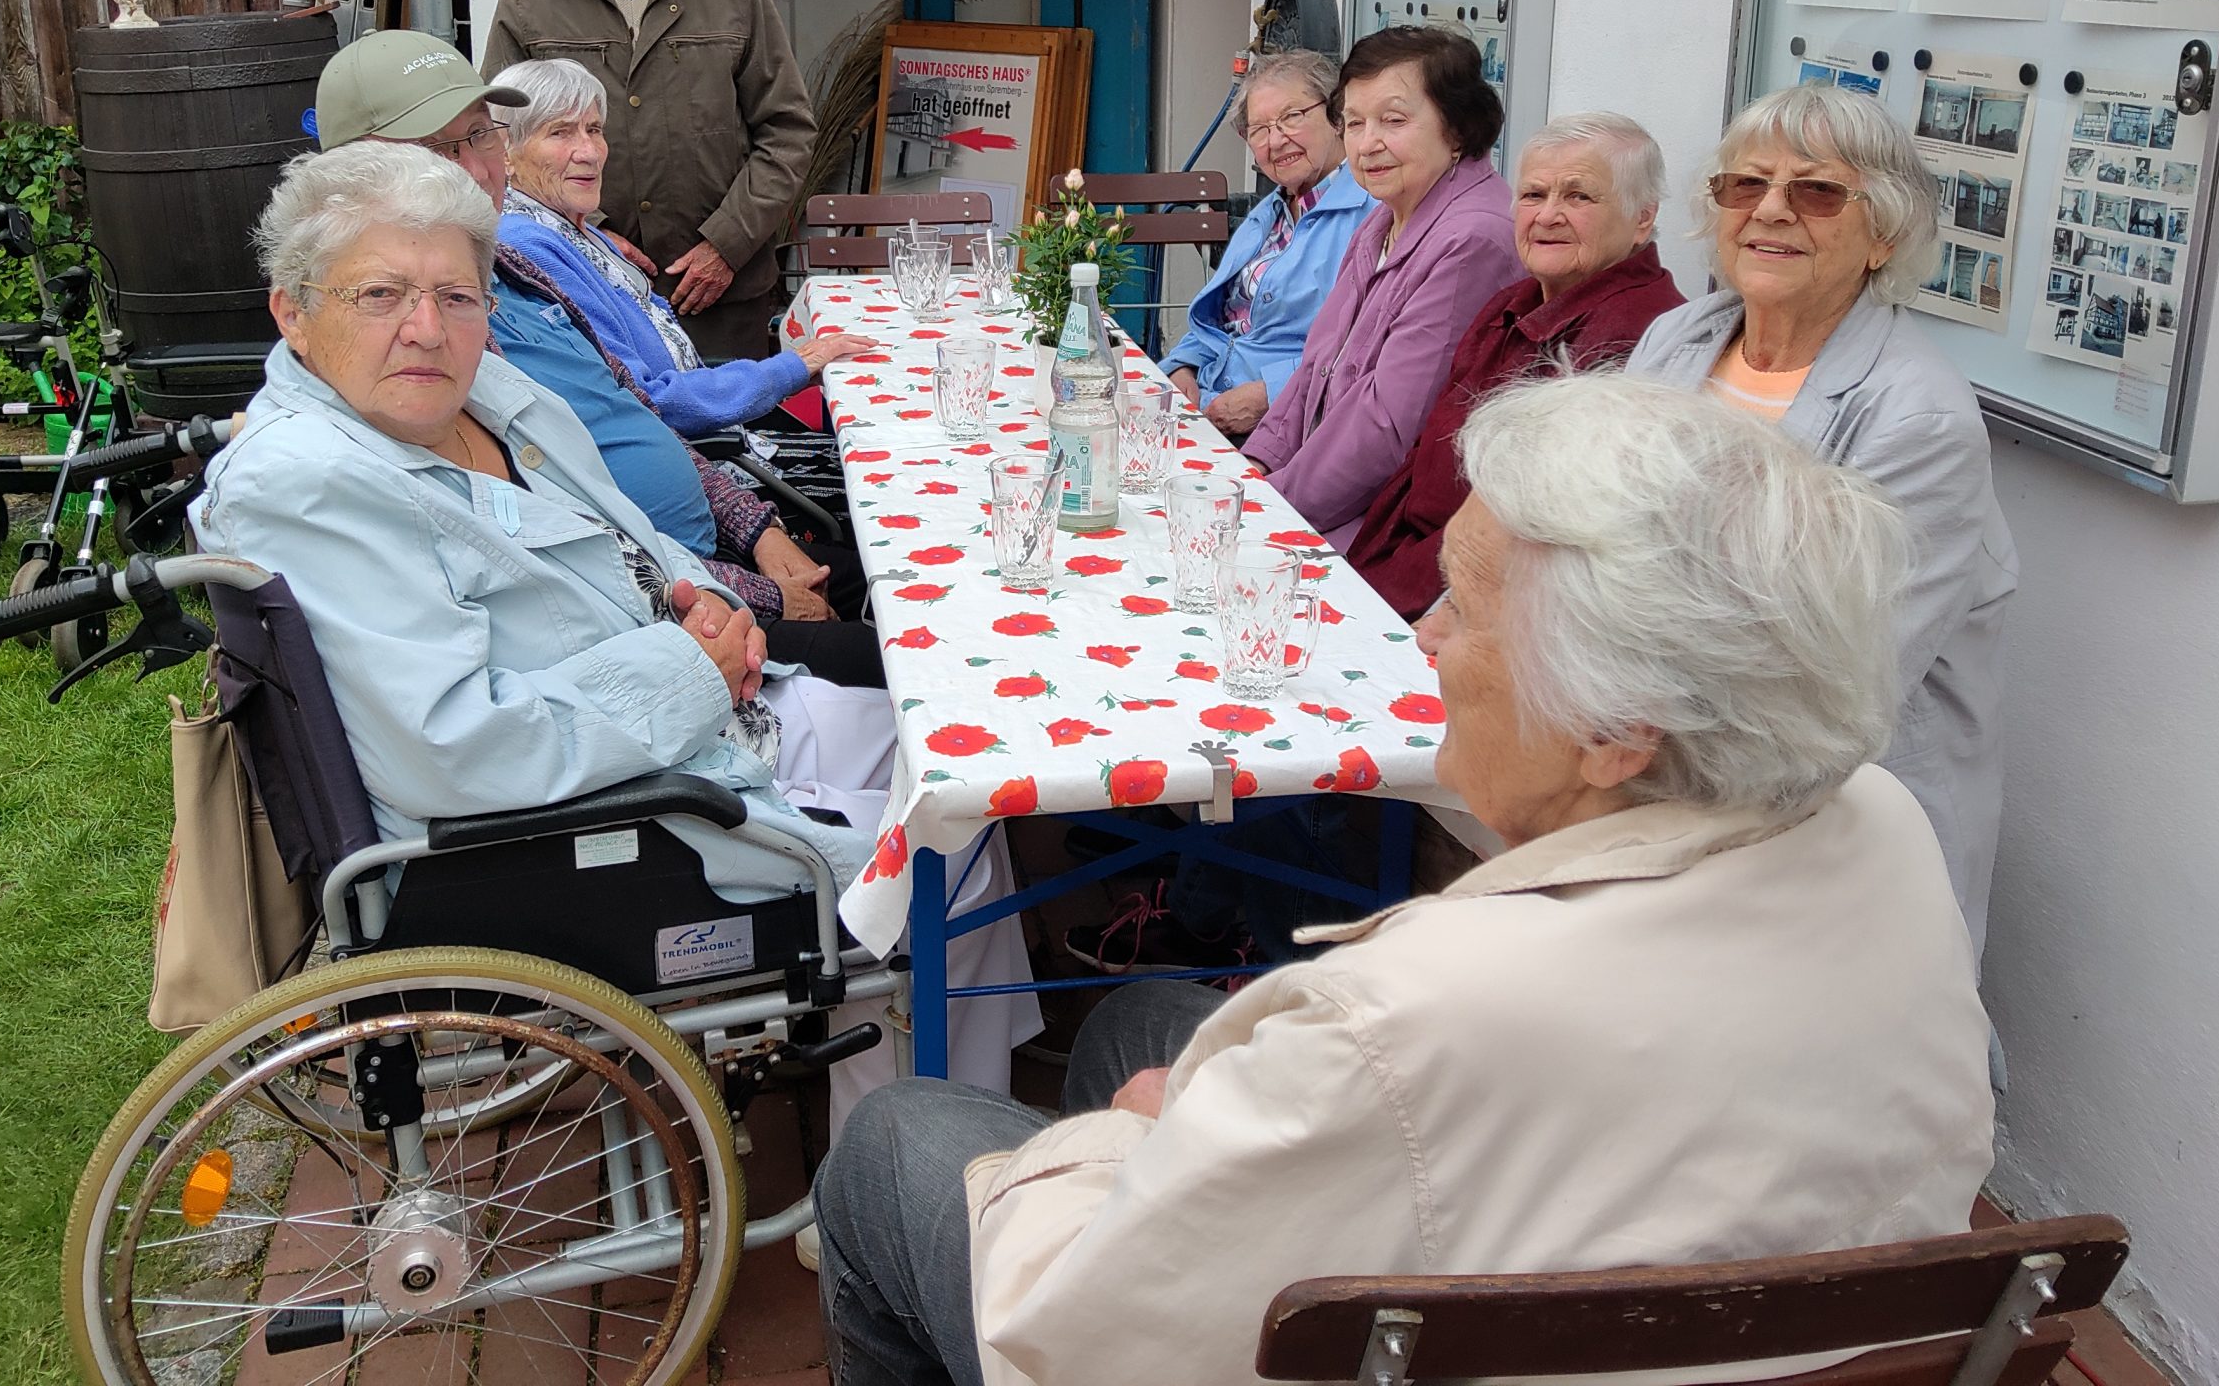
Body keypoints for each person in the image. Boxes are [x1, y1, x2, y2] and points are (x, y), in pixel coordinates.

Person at [812, 374, 1995, 1386]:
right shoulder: (1884, 827)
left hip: (1464, 1292)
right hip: (1735, 1306)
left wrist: (1124, 1148)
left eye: (1464, 609)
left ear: (1617, 728)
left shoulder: (1409, 1011)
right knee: (1140, 1021)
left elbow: (1077, 1335)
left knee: (894, 1139)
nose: (1421, 637)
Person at [192, 142, 1034, 1109]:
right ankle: (921, 1156)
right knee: (948, 859)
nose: (426, 328)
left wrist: (706, 599)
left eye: (456, 297)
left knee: (965, 768)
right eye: (379, 295)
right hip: (588, 831)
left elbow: (624, 529)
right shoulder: (307, 484)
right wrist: (693, 669)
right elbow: (455, 746)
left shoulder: (483, 394)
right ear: (293, 312)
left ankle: (952, 1111)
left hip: (686, 738)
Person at [310, 29, 878, 686]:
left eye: (480, 136)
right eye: (439, 149)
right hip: (667, 618)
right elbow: (574, 546)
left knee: (901, 578)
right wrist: (759, 591)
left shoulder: (515, 271)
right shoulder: (434, 345)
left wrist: (759, 532)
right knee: (899, 657)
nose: (476, 169)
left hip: (707, 557)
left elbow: (633, 412)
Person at [1629, 84, 2016, 955]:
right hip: (1654, 760)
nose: (1771, 210)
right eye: (1745, 184)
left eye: (1817, 191)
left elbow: (1831, 677)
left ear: (1884, 235)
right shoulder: (1680, 339)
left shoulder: (1918, 420)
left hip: (1827, 810)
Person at [483, 0, 814, 360]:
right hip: (581, 295)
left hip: (717, 296)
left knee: (735, 413)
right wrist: (589, 238)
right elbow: (497, 139)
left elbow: (788, 131)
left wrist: (726, 244)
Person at [1351, 111, 1684, 620]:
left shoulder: (1637, 335)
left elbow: (1537, 530)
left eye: (1579, 197)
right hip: (1401, 570)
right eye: (1533, 194)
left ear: (1642, 217)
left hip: (1467, 605)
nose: (1547, 215)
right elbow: (1423, 458)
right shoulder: (1513, 302)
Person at [1242, 26, 1519, 548]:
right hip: (1314, 500)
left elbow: (1387, 427)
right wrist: (1256, 464)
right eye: (1353, 122)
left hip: (1384, 529)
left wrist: (1267, 507)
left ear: (1458, 129)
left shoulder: (1471, 240)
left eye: (1393, 120)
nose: (1368, 144)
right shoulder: (1385, 218)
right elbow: (1316, 367)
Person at [493, 56, 874, 434]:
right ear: (505, 153)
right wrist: (790, 368)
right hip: (688, 451)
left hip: (703, 428)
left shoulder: (571, 227)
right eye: (559, 133)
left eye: (594, 129)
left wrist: (789, 371)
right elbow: (645, 399)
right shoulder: (529, 247)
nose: (589, 152)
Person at [1157, 51, 1373, 439]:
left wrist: (1271, 395)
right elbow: (1225, 319)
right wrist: (1183, 365)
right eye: (1259, 129)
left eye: (1293, 117)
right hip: (1209, 403)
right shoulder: (1272, 210)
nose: (1276, 140)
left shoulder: (1373, 215)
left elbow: (1368, 350)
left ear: (1336, 116)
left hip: (1289, 428)